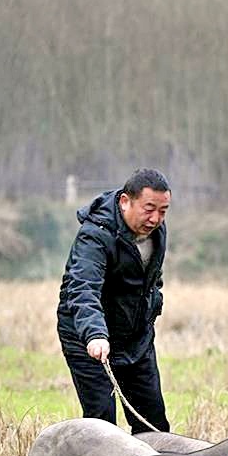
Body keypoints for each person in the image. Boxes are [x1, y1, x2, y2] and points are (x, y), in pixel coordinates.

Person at [56, 168, 172, 433]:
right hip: (88, 338)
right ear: (124, 201)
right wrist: (95, 334)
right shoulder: (95, 235)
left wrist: (154, 301)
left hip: (135, 338)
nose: (156, 218)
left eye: (163, 211)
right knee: (103, 426)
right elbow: (82, 287)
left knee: (154, 424)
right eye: (149, 208)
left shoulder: (156, 230)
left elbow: (150, 276)